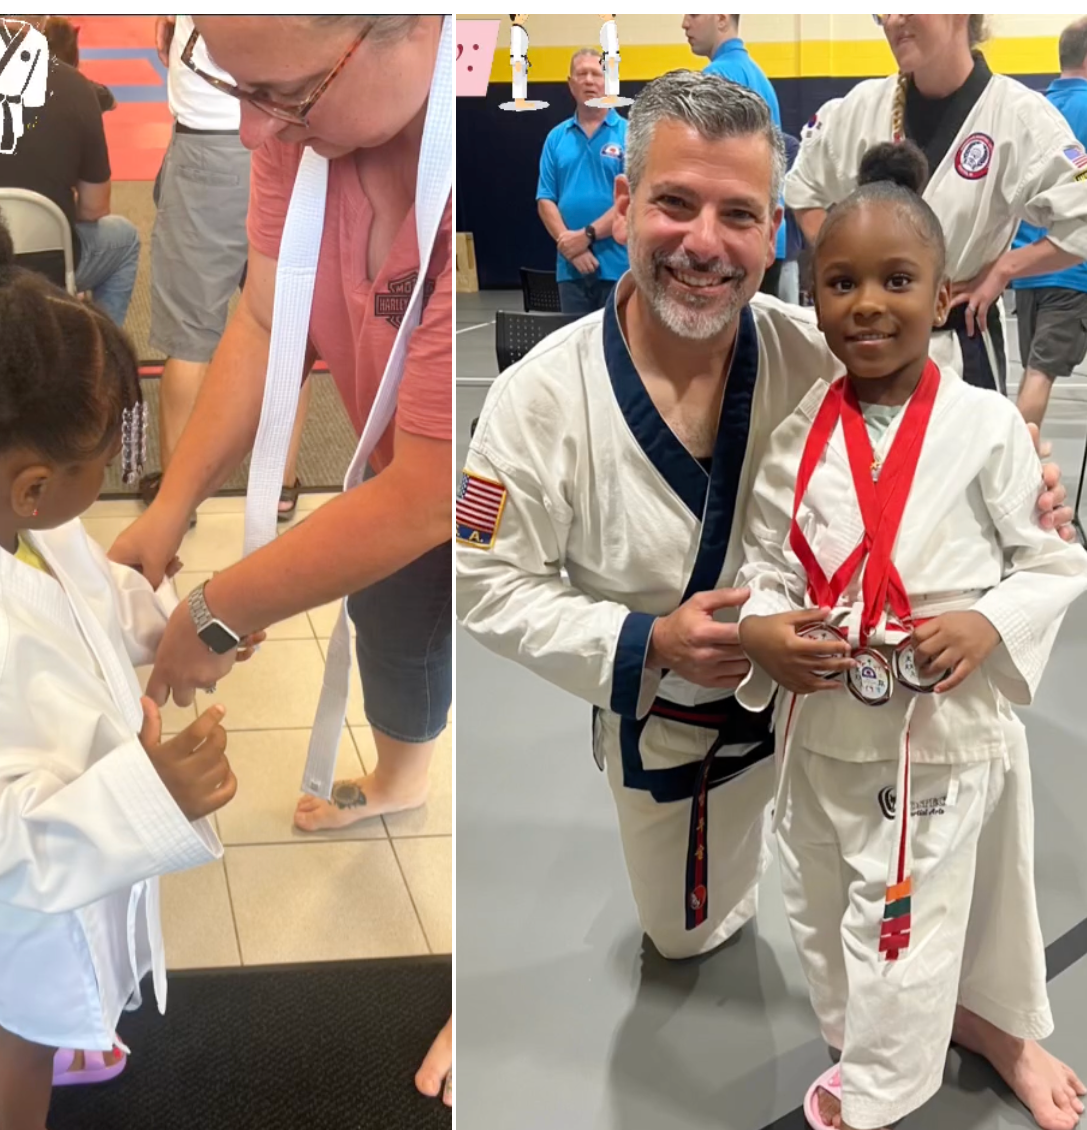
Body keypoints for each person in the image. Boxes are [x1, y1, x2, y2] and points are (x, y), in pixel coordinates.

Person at [456, 70, 1079, 1129]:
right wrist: (647, 640)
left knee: (932, 874)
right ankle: (868, 1007)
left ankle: (978, 1021)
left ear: (769, 229)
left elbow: (930, 422)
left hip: (855, 706)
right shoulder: (536, 403)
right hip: (673, 718)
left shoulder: (817, 344)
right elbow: (484, 582)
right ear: (625, 199)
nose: (705, 241)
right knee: (691, 937)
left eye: (739, 213)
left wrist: (1023, 475)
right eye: (674, 204)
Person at [106, 15, 453, 1100]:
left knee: (534, 720)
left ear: (417, 26)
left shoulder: (470, 156)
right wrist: (170, 511)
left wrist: (215, 612)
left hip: (495, 492)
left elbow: (439, 487)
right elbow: (266, 314)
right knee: (392, 612)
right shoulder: (299, 140)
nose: (257, 128)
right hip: (392, 464)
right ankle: (400, 776)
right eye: (233, 88)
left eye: (287, 93)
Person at [0, 185, 238, 1130]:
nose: (108, 476)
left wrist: (174, 619)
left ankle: (83, 1023)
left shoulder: (7, 517)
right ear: (34, 484)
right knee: (26, 1029)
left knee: (77, 990)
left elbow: (92, 594)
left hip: (61, 824)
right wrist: (153, 795)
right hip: (18, 893)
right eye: (103, 461)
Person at [736, 143, 1087, 1130]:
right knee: (818, 900)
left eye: (897, 280)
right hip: (819, 733)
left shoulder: (984, 427)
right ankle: (869, 1039)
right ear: (813, 300)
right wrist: (762, 627)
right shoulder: (798, 432)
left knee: (903, 927)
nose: (867, 304)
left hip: (933, 730)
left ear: (940, 299)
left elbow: (1056, 561)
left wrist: (985, 620)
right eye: (840, 282)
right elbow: (765, 561)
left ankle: (880, 1094)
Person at [785, 14, 1087, 392]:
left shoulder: (1017, 115)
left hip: (959, 349)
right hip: (864, 345)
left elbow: (1082, 215)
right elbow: (802, 191)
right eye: (884, 9)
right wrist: (849, 266)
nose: (894, 20)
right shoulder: (859, 108)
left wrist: (1005, 269)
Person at [144, 15, 309, 519]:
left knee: (191, 335)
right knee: (288, 327)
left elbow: (165, 42)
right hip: (286, 144)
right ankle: (280, 481)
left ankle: (179, 494)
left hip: (206, 150)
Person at [0, 16, 141, 330]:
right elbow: (95, 207)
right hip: (44, 266)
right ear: (44, 19)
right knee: (125, 240)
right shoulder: (76, 86)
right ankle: (101, 358)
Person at [1010, 17, 1087, 428]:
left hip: (1025, 268)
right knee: (1041, 375)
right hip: (1071, 267)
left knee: (1032, 373)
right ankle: (1016, 467)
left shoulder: (1034, 110)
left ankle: (1025, 455)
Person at [682, 15, 791, 296]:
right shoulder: (759, 77)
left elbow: (707, 167)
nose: (684, 23)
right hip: (765, 233)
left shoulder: (716, 78)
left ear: (721, 18)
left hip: (733, 235)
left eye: (693, 13)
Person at [535, 49, 630, 314]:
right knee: (575, 351)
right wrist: (572, 248)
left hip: (619, 268)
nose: (589, 80)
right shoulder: (556, 138)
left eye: (596, 74)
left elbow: (631, 201)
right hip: (571, 271)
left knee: (616, 350)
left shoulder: (629, 134)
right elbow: (545, 200)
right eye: (582, 74)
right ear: (570, 84)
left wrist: (586, 236)